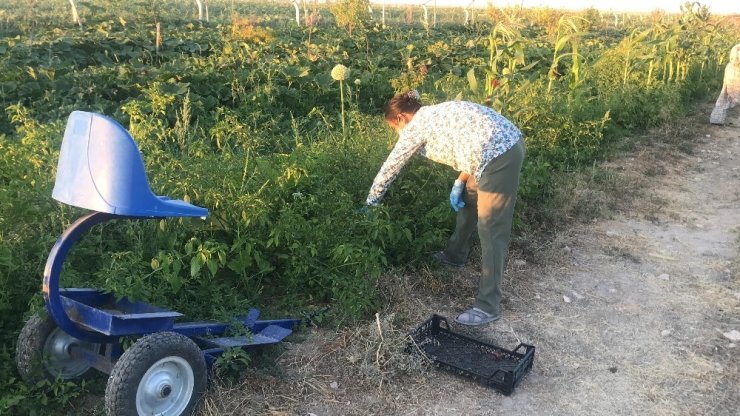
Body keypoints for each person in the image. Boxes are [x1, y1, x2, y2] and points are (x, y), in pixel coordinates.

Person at [364, 90, 526, 326]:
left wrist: (371, 202)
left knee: (491, 228)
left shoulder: (415, 127)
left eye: (393, 128)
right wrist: (460, 181)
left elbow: (391, 167)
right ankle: (455, 255)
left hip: (500, 156)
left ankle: (488, 306)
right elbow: (473, 140)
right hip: (496, 148)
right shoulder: (435, 112)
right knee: (469, 201)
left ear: (400, 119)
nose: (397, 134)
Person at [710, 43, 740, 125]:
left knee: (726, 96)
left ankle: (716, 119)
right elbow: (735, 59)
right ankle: (717, 119)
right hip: (734, 72)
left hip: (732, 71)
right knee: (727, 95)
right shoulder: (737, 48)